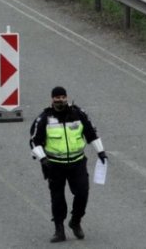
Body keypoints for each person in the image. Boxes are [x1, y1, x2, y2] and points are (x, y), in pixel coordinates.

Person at [29, 86, 108, 243]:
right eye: (57, 97)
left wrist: (101, 152)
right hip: (54, 165)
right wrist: (43, 159)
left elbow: (91, 133)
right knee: (57, 198)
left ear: (67, 97)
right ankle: (59, 230)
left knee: (82, 193)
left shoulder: (78, 114)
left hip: (77, 162)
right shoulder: (44, 118)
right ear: (52, 99)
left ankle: (75, 221)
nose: (60, 100)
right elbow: (34, 142)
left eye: (63, 97)